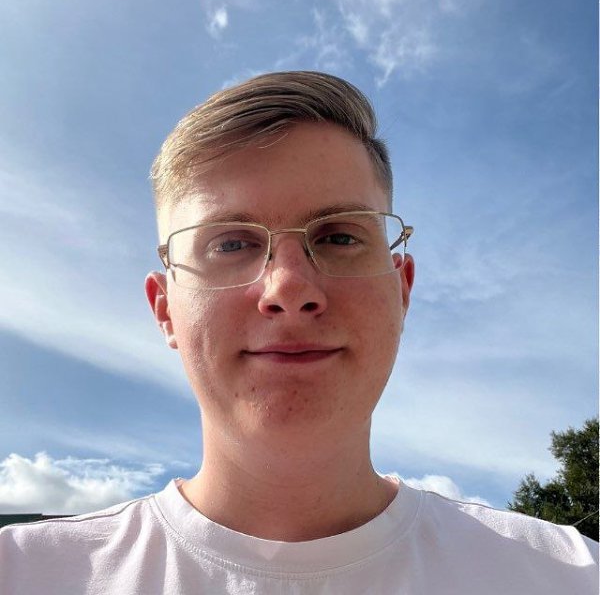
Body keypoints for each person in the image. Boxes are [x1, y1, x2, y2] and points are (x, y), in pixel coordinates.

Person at [0, 71, 597, 594]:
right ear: (165, 310)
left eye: (339, 236)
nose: (288, 286)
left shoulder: (571, 577)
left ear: (403, 287)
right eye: (229, 243)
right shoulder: (23, 575)